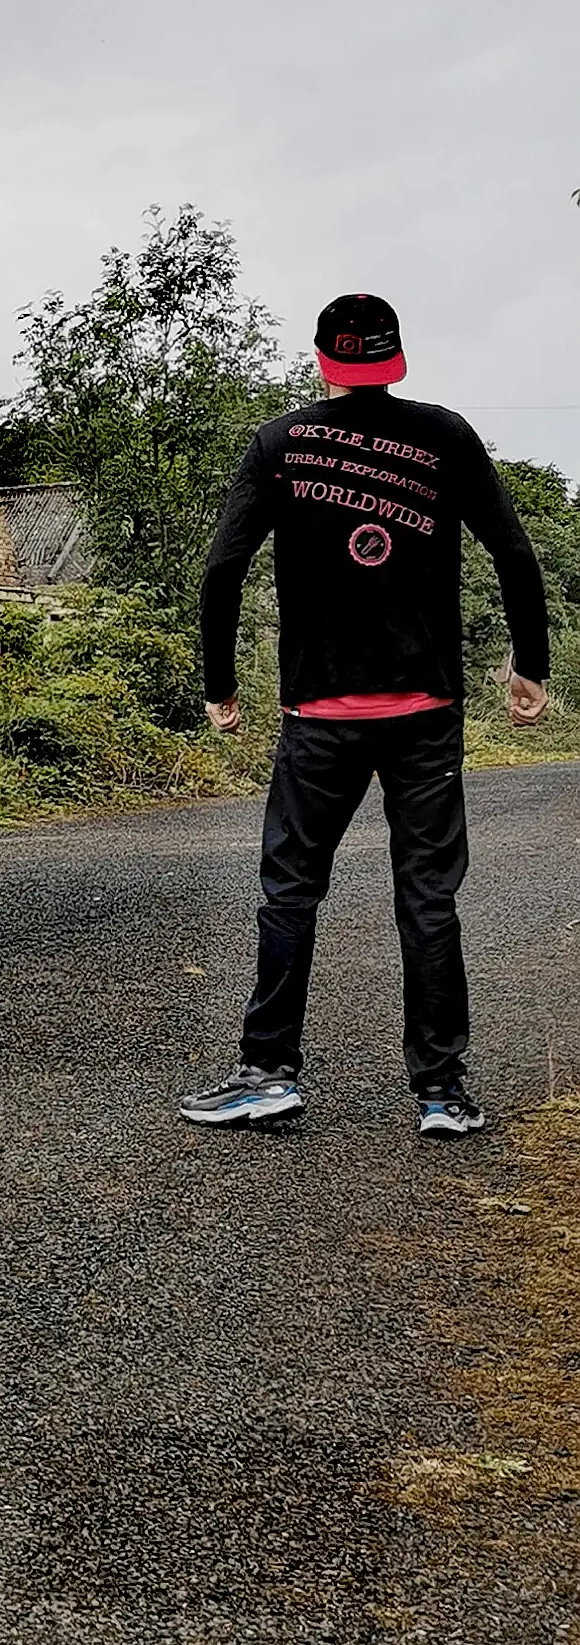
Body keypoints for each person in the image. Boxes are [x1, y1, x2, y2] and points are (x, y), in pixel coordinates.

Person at [179, 291, 550, 1138]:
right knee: (427, 899)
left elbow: (222, 571)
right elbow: (516, 553)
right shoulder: (445, 435)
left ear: (323, 361)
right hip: (426, 713)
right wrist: (531, 665)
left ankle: (268, 1073)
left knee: (290, 892)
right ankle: (442, 1094)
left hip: (319, 716)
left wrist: (219, 686)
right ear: (395, 359)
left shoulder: (280, 442)